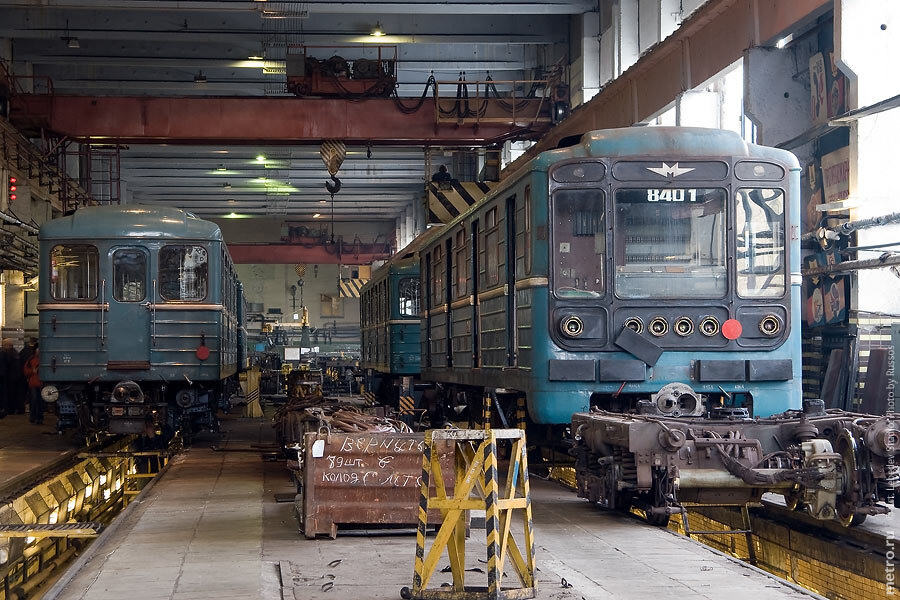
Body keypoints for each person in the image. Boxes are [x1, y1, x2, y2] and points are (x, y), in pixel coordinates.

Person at [0, 338, 24, 416]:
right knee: (18, 394)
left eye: (3, 345)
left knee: (10, 395)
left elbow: (5, 367)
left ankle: (11, 410)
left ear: (8, 345)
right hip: (18, 377)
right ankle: (19, 409)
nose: (2, 347)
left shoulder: (6, 353)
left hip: (10, 378)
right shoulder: (16, 353)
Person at [24, 346, 42, 424]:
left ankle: (38, 418)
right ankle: (34, 417)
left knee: (39, 401)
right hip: (35, 383)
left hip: (39, 383)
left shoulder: (32, 359)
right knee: (35, 401)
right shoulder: (31, 359)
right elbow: (25, 371)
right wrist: (33, 371)